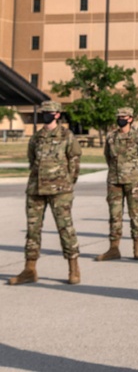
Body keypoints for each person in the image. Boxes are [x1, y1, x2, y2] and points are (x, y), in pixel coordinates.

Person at [8, 100, 82, 286]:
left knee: (65, 228)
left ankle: (73, 268)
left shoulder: (67, 135)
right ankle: (29, 269)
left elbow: (74, 161)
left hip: (60, 191)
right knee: (33, 230)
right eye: (44, 112)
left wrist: (67, 183)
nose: (46, 114)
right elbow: (32, 159)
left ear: (57, 114)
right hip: (35, 189)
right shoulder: (37, 136)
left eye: (49, 112)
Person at [96, 107, 138, 261]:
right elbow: (107, 156)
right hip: (114, 180)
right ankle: (114, 249)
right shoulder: (111, 137)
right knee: (114, 215)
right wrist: (116, 170)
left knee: (136, 215)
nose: (120, 119)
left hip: (134, 182)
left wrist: (136, 171)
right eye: (118, 116)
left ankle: (137, 248)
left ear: (130, 119)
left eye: (123, 116)